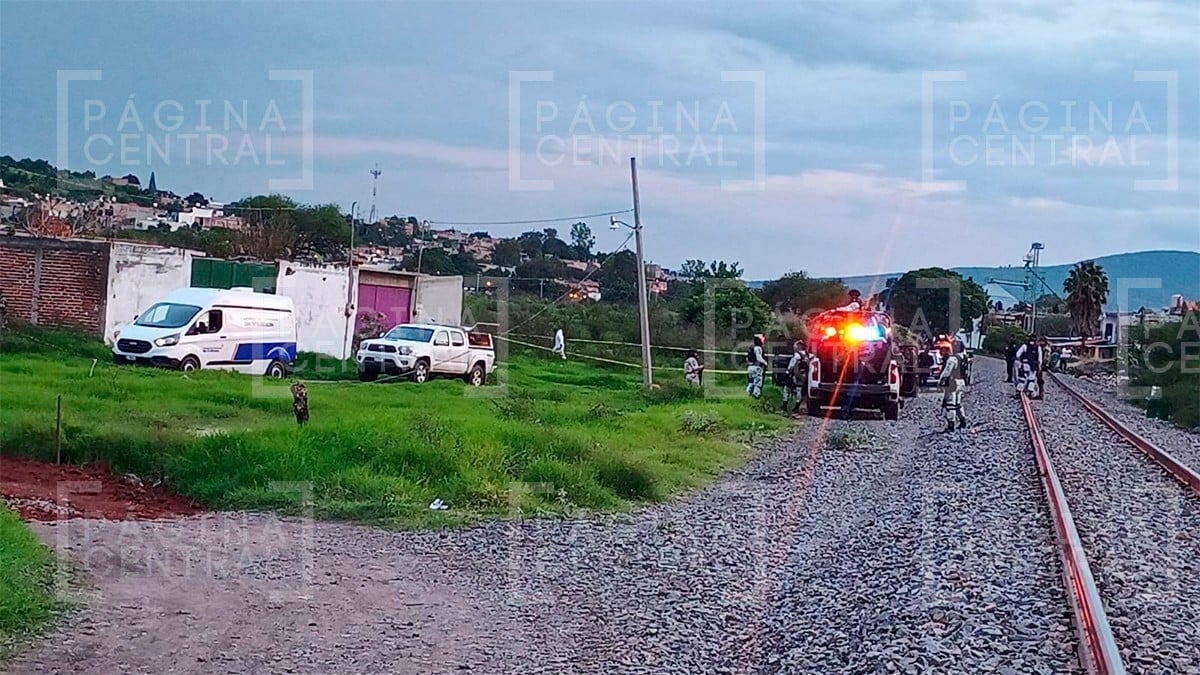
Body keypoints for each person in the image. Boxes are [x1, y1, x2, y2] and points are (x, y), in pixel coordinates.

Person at [937, 342, 967, 431]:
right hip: (961, 382)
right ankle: (962, 420)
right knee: (958, 403)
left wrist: (940, 381)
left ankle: (951, 424)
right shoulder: (963, 358)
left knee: (951, 404)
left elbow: (947, 372)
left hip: (953, 382)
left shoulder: (953, 359)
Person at [783, 340, 808, 414]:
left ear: (799, 347)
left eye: (795, 346)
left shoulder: (797, 355)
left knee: (786, 389)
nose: (794, 348)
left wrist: (787, 372)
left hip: (795, 375)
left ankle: (784, 406)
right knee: (799, 390)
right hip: (803, 375)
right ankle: (797, 407)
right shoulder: (806, 355)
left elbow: (792, 365)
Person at [746, 334, 768, 398]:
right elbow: (758, 358)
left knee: (751, 382)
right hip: (757, 367)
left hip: (750, 367)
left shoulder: (751, 348)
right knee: (757, 382)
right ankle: (756, 395)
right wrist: (765, 362)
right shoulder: (758, 348)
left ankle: (748, 394)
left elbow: (747, 358)